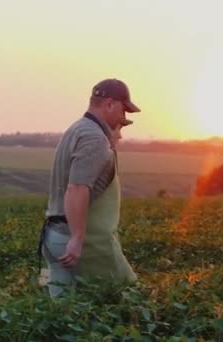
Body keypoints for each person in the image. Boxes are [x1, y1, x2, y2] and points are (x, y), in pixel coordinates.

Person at [40, 79, 140, 297]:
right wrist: (76, 238)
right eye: (124, 110)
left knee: (63, 311)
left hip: (54, 234)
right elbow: (77, 188)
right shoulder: (94, 138)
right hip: (75, 239)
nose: (125, 118)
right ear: (110, 104)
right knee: (122, 295)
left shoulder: (77, 129)